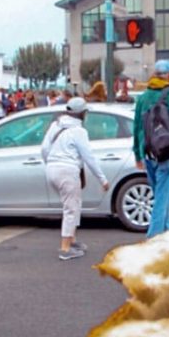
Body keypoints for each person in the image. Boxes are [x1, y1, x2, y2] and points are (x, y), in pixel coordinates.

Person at [41, 96, 110, 260]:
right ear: (82, 114)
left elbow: (44, 148)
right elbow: (89, 157)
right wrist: (102, 179)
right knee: (71, 208)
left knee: (73, 204)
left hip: (51, 168)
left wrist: (50, 162)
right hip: (68, 170)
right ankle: (65, 249)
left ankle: (72, 240)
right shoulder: (79, 132)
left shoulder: (55, 125)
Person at [133, 59, 169, 237]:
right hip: (167, 153)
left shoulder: (143, 98)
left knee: (162, 197)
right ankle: (153, 239)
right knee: (162, 200)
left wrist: (137, 154)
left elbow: (137, 127)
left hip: (149, 153)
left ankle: (168, 237)